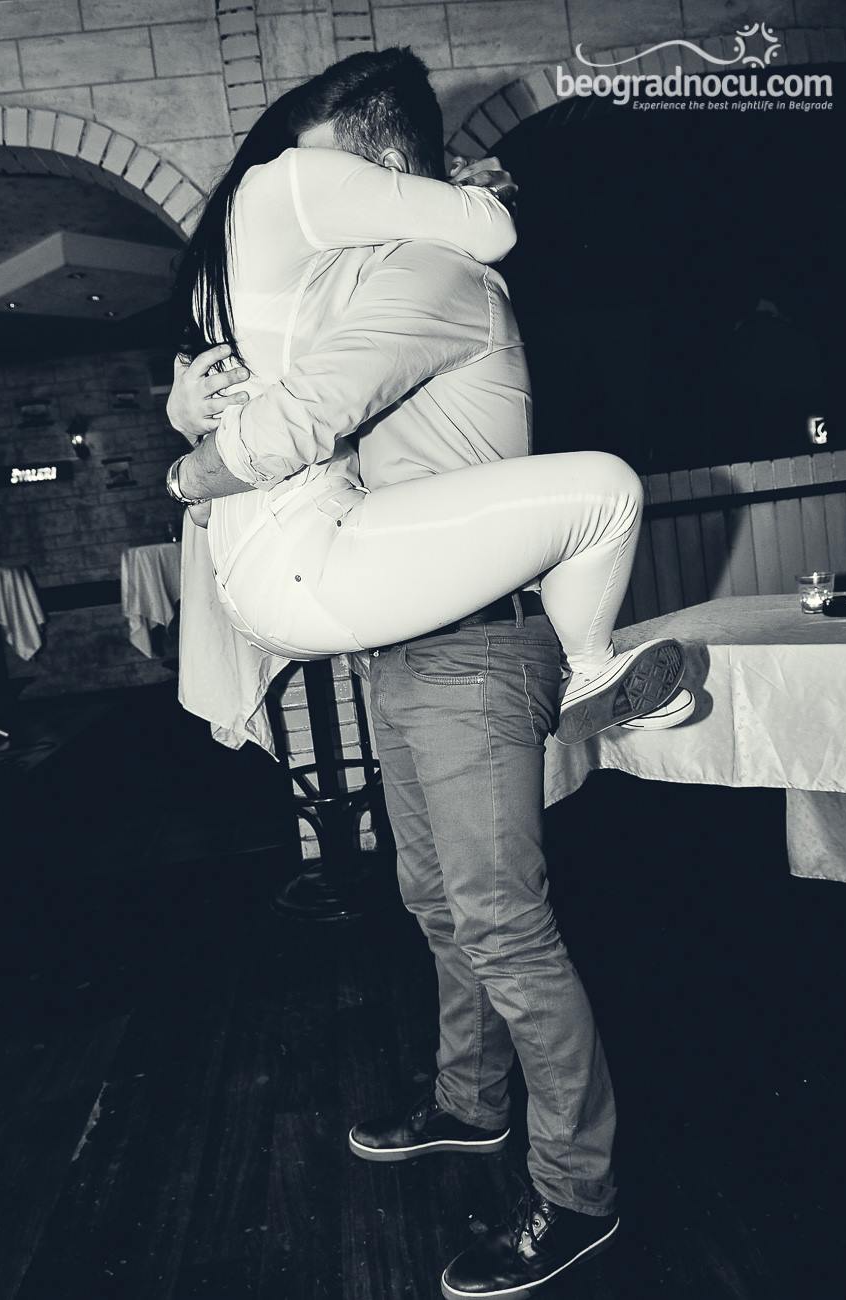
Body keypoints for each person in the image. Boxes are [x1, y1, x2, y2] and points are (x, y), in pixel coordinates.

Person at [168, 48, 691, 1298]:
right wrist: (191, 400)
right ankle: (468, 1099)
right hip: (409, 642)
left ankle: (577, 1191)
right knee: (438, 904)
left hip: (476, 648)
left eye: (333, 174)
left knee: (503, 923)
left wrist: (188, 464)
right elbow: (283, 387)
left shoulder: (429, 276)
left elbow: (299, 421)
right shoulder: (375, 275)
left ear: (382, 171)